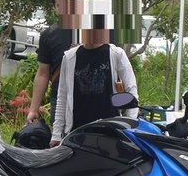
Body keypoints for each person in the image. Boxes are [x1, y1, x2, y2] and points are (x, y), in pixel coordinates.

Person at [48, 13, 138, 146]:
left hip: (110, 133)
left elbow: (131, 91)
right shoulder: (69, 57)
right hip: (76, 133)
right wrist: (56, 135)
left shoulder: (116, 54)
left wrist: (130, 129)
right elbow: (62, 97)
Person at [26, 0, 78, 127]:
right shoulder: (48, 35)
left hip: (94, 99)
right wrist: (33, 109)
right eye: (59, 5)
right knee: (60, 139)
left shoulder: (96, 29)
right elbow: (43, 73)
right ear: (55, 8)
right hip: (61, 100)